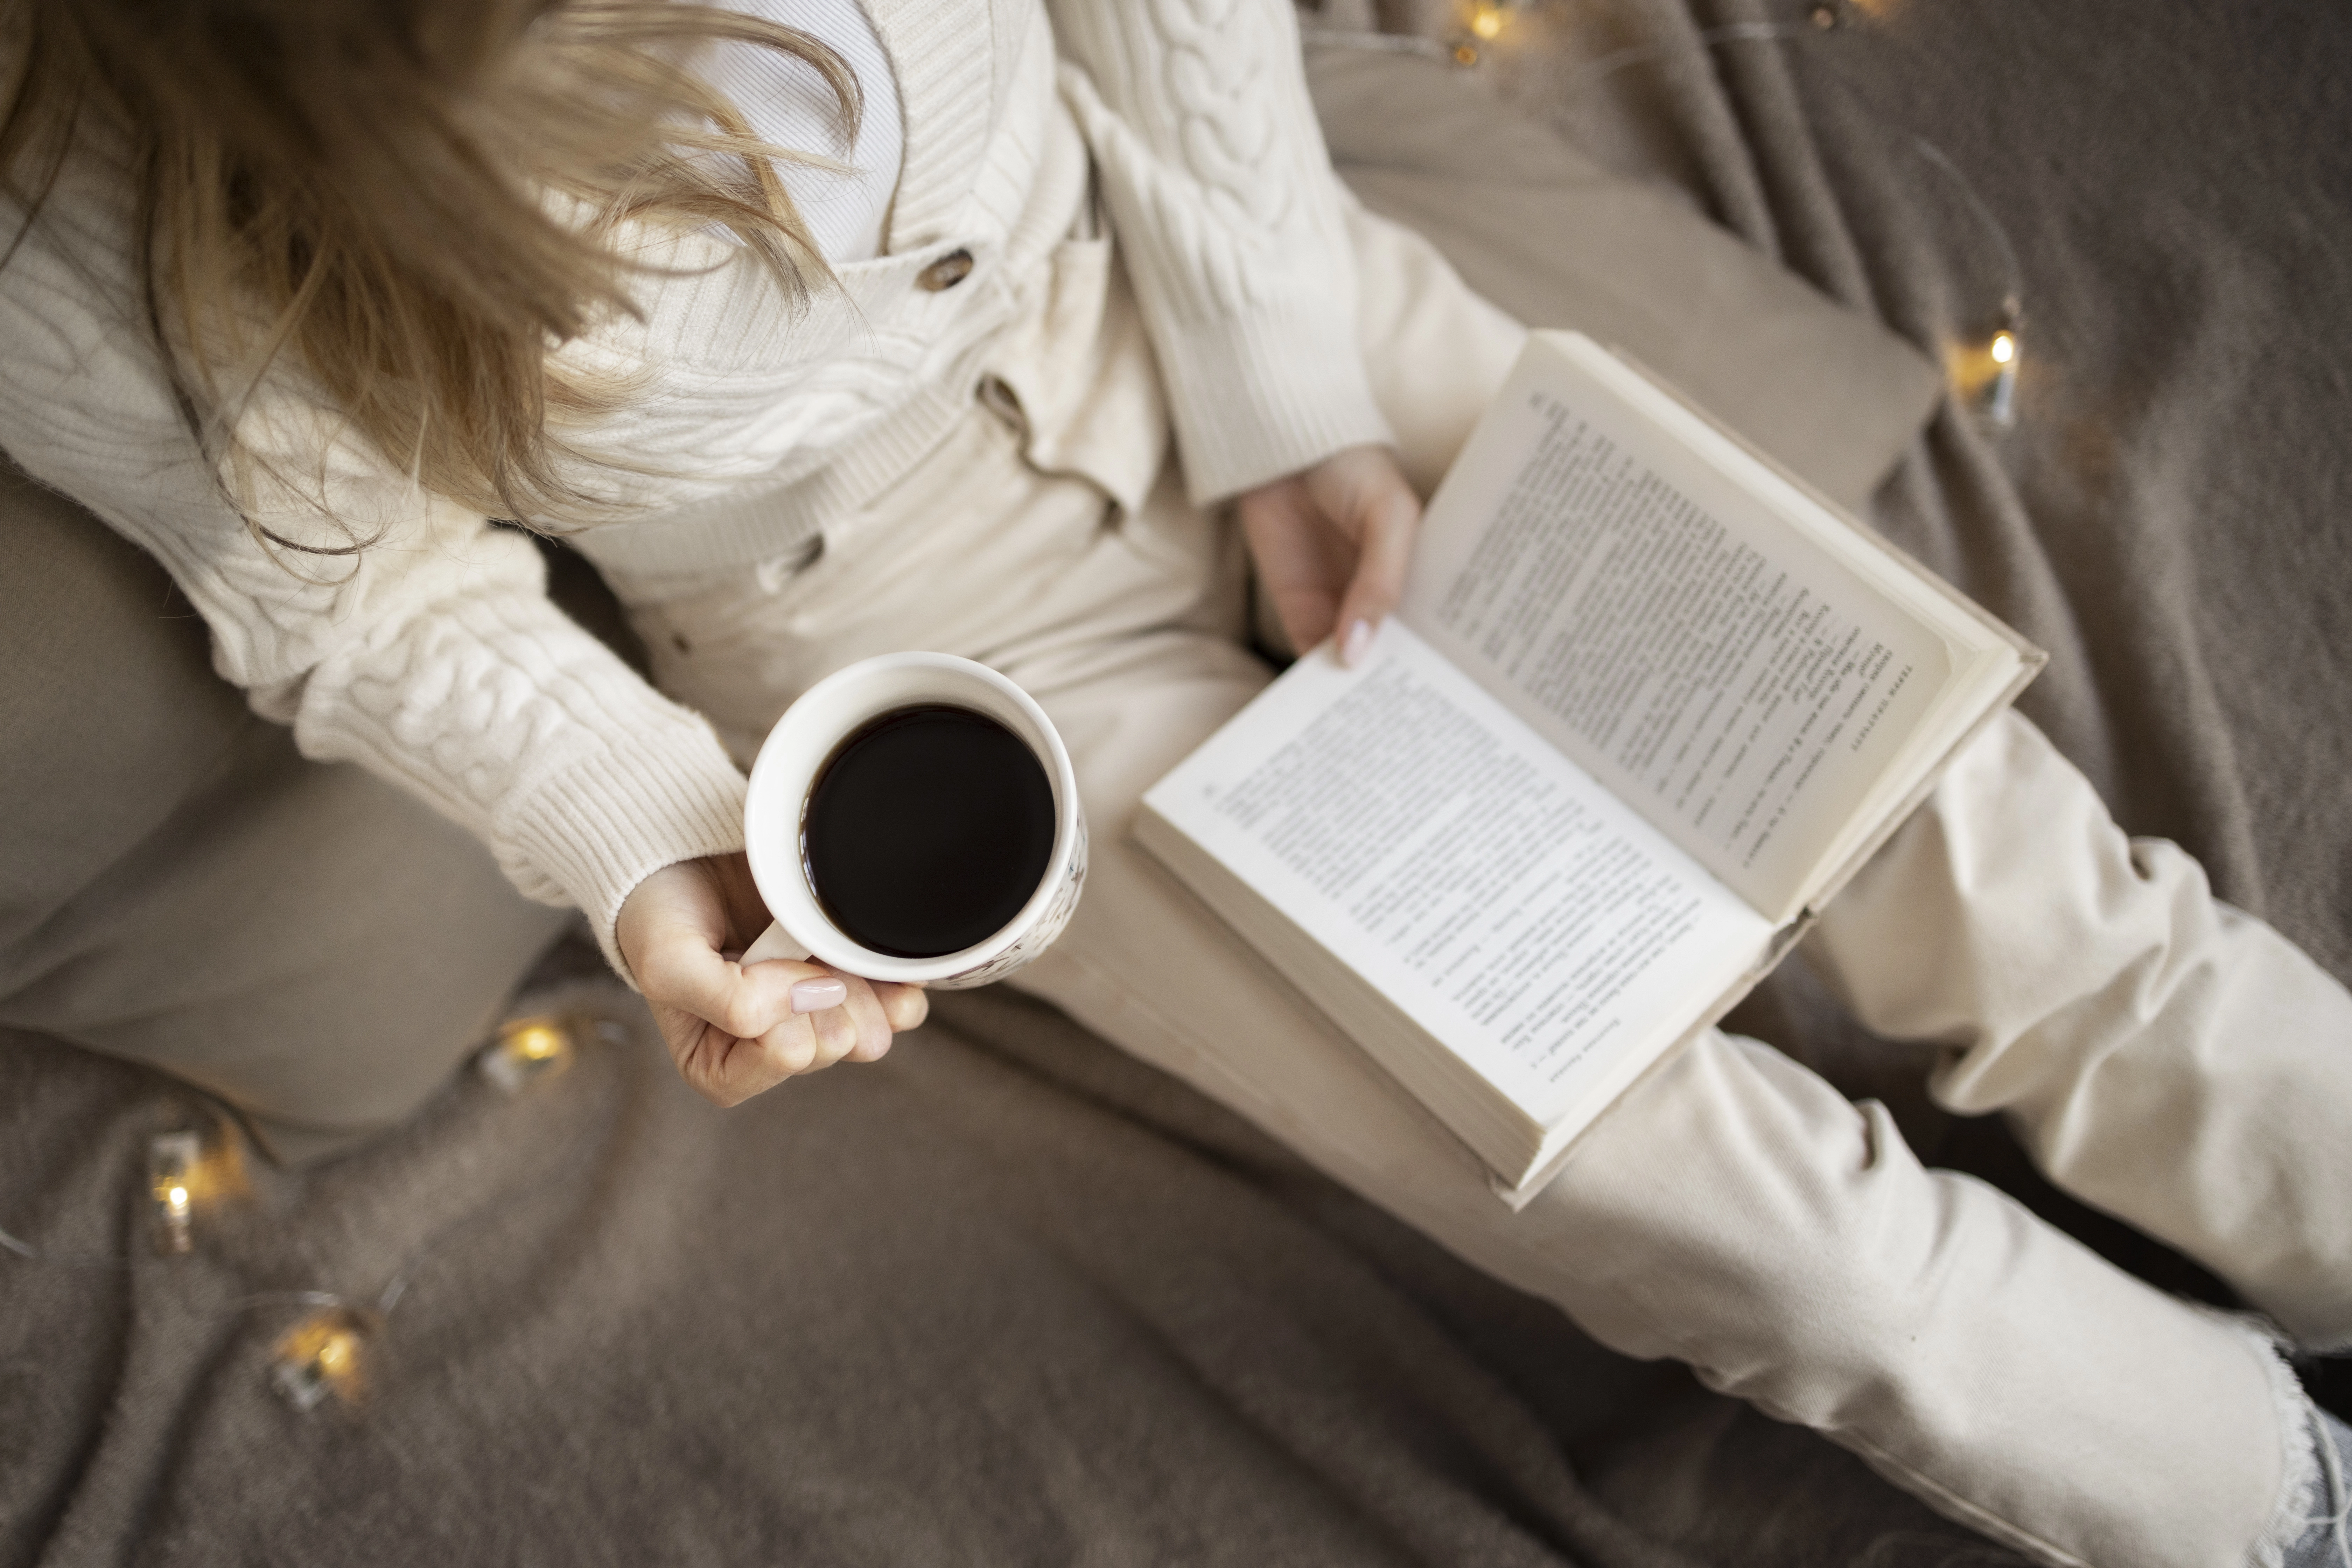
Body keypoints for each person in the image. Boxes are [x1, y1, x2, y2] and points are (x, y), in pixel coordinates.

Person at [1, 1, 2346, 1562]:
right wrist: (644, 840)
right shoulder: (78, 185)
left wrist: (1283, 386)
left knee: (2026, 891)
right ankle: (2286, 1505)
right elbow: (357, 593)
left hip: (1232, 301)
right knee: (1757, 1228)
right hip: (905, 658)